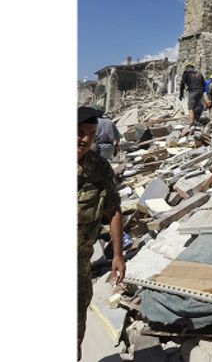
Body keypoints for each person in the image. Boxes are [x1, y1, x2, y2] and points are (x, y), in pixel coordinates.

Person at [77, 107, 125, 361]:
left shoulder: (99, 167)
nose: (84, 139)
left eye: (91, 134)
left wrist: (117, 254)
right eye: (79, 132)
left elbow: (114, 209)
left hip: (79, 269)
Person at [179, 63, 206, 127]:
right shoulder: (199, 73)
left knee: (191, 107)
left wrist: (181, 93)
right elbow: (204, 83)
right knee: (199, 107)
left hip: (192, 92)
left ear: (187, 67)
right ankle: (197, 120)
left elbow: (182, 83)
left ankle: (191, 123)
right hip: (200, 91)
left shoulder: (186, 73)